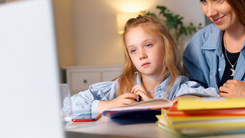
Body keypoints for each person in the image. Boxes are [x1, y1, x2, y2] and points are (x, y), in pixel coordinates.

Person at [72, 15, 218, 118]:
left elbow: (212, 104)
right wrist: (108, 105)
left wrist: (154, 105)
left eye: (148, 45)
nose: (141, 55)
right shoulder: (122, 86)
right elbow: (69, 105)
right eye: (133, 50)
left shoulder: (181, 87)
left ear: (166, 46)